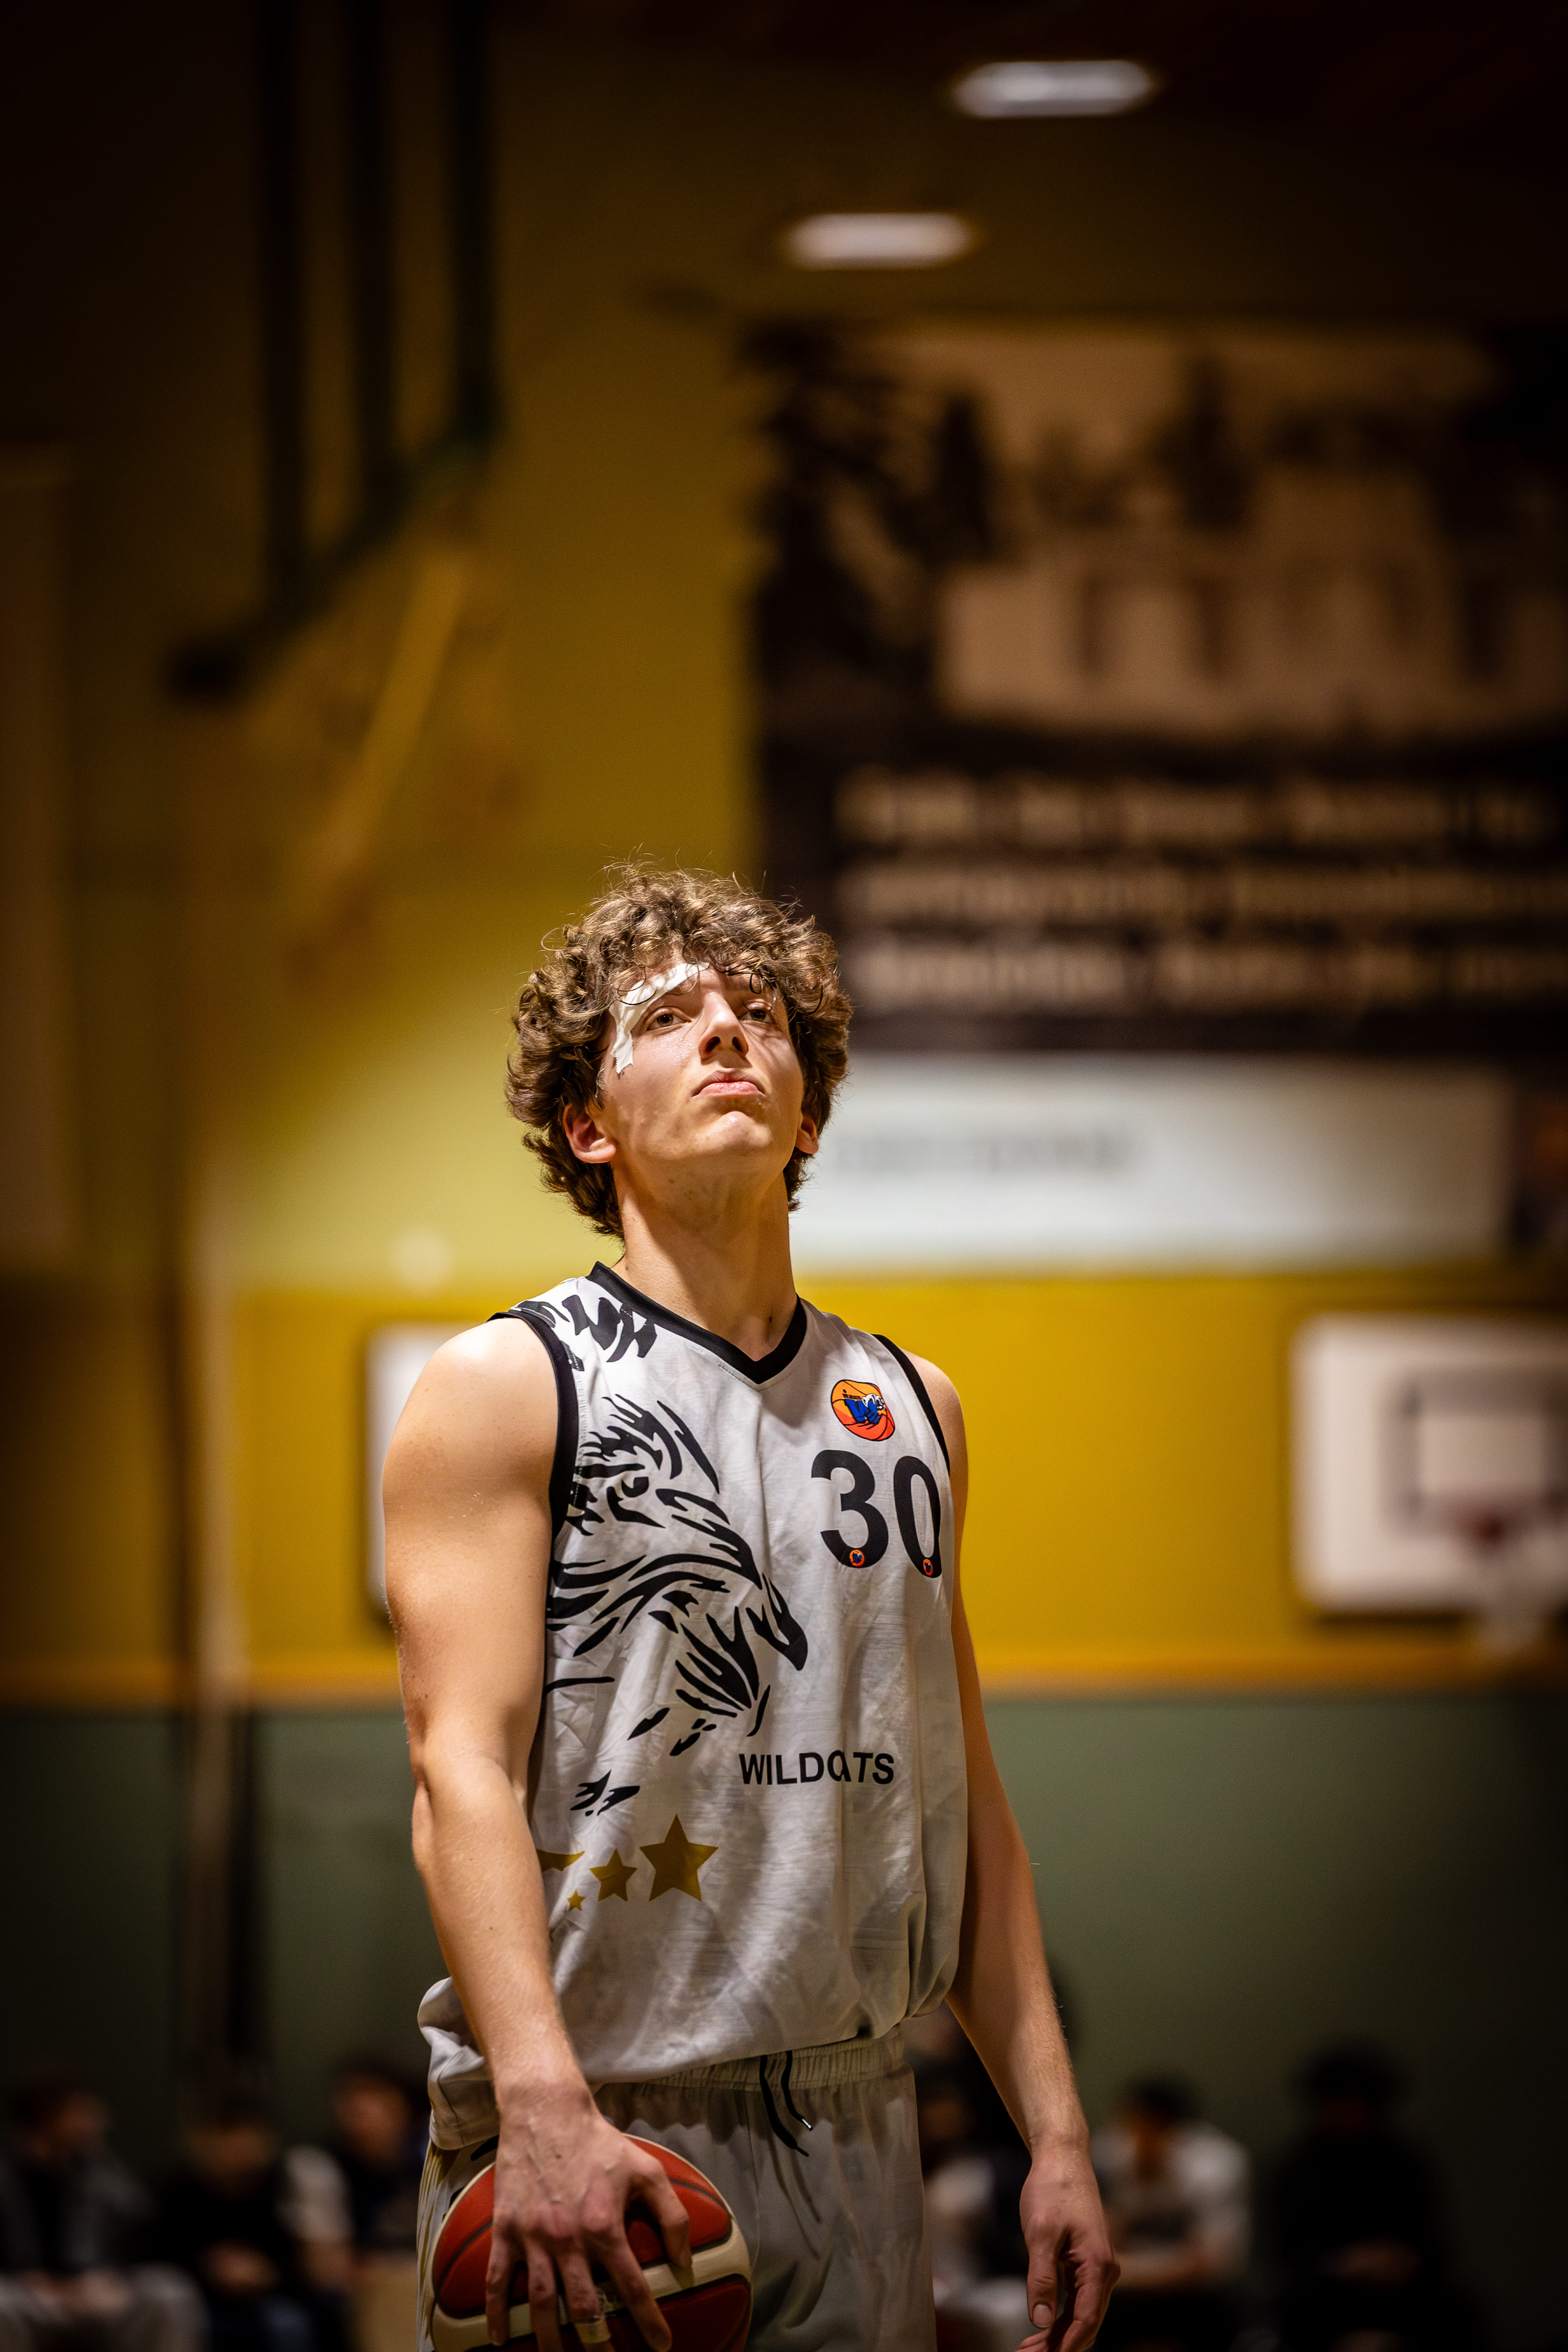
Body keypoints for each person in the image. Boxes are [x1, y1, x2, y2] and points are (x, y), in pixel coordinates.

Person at [386, 867, 1116, 2352]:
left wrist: (1053, 2133)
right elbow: (455, 1769)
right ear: (588, 1125)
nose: (728, 1030)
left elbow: (959, 1796)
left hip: (860, 2124)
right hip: (597, 2115)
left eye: (760, 1015)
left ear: (809, 1114)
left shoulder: (914, 1405)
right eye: (668, 1017)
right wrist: (539, 2100)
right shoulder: (505, 1386)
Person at [1274, 2042, 1476, 2352]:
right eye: (1339, 2103)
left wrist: (1398, 2259)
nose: (1349, 2113)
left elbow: (1432, 2238)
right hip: (1326, 2293)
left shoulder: (1405, 2162)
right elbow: (1288, 2248)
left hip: (1403, 2290)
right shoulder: (1298, 2166)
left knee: (1456, 2309)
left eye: (1358, 2103)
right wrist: (1345, 2263)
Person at [0, 2074, 204, 2352]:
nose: (96, 2123)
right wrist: (30, 2280)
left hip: (96, 2293)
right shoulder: (8, 2176)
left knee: (170, 2291)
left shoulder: (99, 2173)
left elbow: (146, 2234)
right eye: (82, 2114)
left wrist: (114, 2278)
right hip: (29, 2298)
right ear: (45, 2117)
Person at [154, 2096, 347, 2352]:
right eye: (224, 2135)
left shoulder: (287, 2184)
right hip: (204, 2298)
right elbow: (159, 2255)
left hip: (278, 2296)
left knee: (286, 2322)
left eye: (245, 2136)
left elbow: (315, 2266)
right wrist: (211, 2267)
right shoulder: (180, 2192)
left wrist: (269, 2273)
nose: (234, 2148)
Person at [1092, 2078, 1248, 2352]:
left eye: (1141, 2126)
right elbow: (1104, 2239)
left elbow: (1210, 2264)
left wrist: (1121, 2270)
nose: (1128, 2136)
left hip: (1198, 2299)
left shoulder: (1216, 2166)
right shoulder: (1111, 2151)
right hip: (1124, 2297)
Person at [323, 2062, 425, 2352]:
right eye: (350, 2097)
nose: (360, 2107)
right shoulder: (324, 2168)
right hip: (367, 2295)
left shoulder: (432, 2159)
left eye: (374, 2095)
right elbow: (326, 2268)